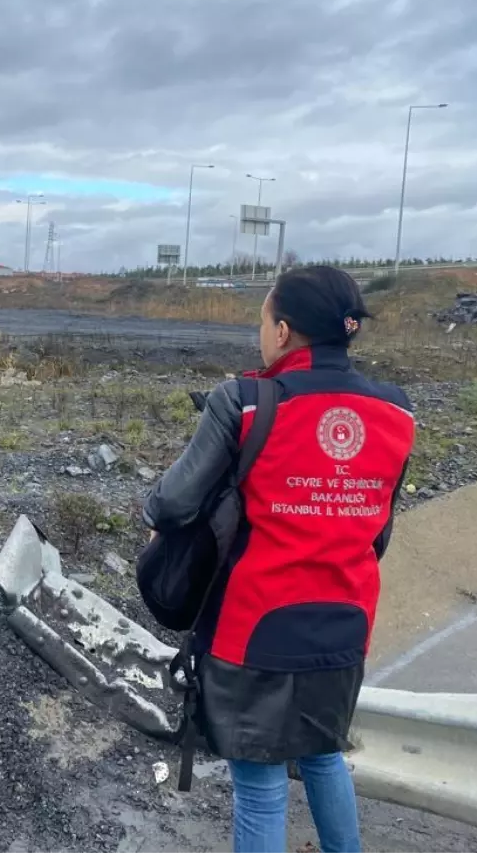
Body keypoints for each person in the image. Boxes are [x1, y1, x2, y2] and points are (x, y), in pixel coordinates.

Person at [143, 266, 415, 853]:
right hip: (345, 625)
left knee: (262, 784)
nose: (261, 333)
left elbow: (170, 504)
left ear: (285, 330)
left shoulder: (244, 402)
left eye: (264, 320)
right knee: (322, 757)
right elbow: (379, 534)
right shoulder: (397, 412)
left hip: (254, 631)